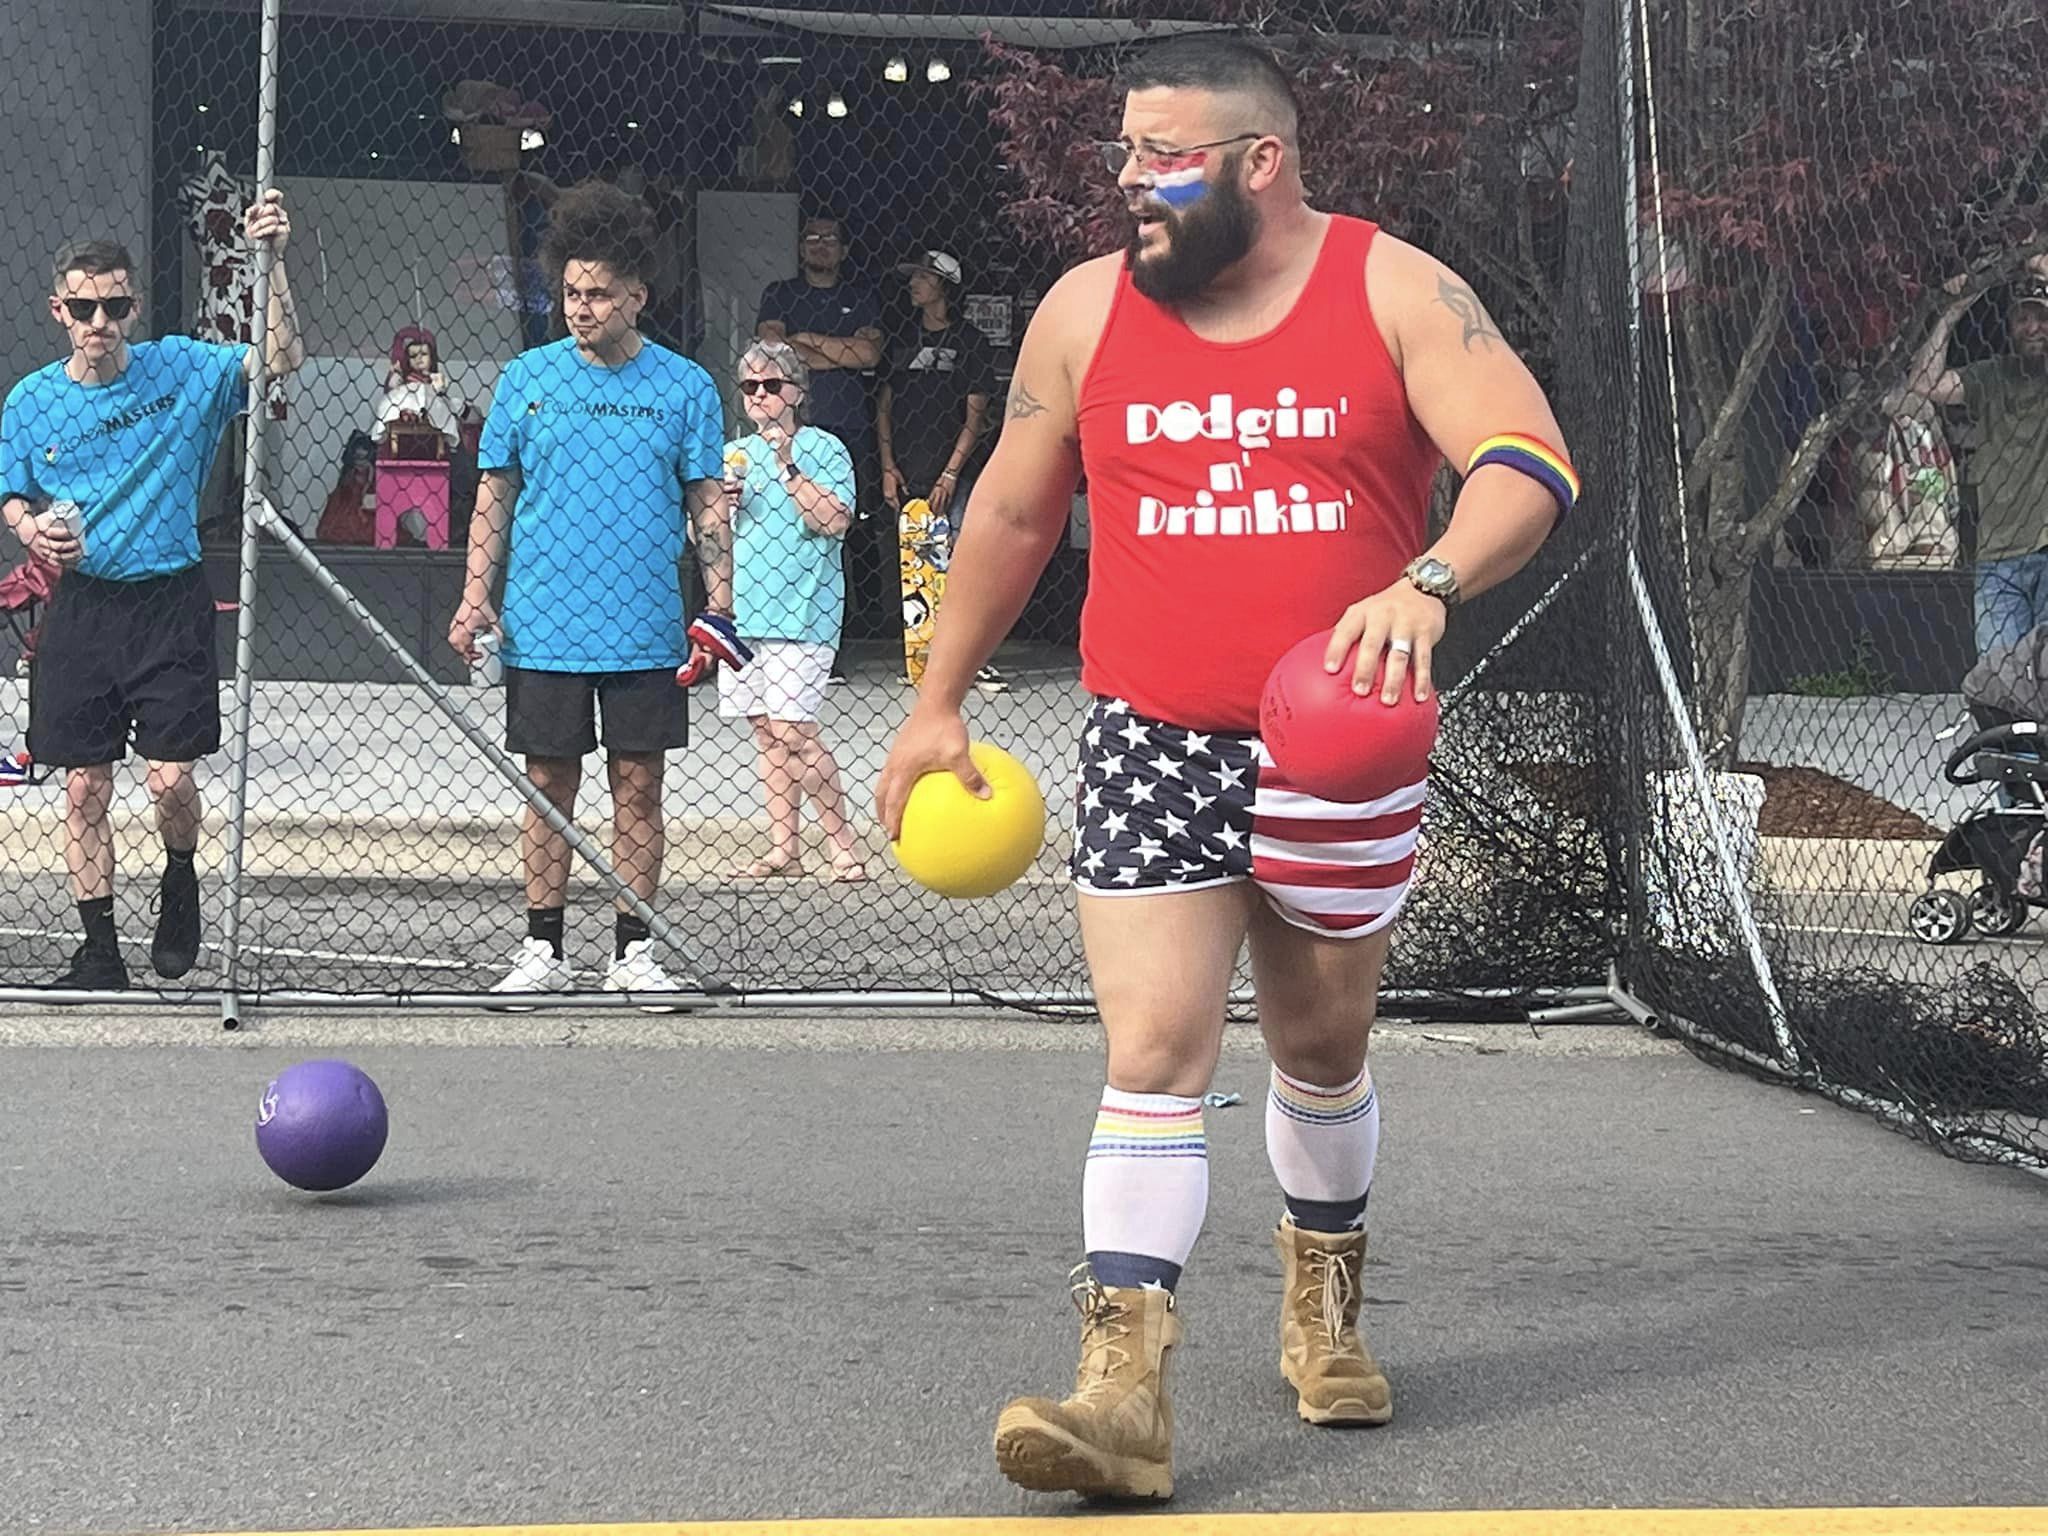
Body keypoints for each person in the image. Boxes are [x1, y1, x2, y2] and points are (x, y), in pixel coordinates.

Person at [875, 36, 1575, 1501]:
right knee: (1154, 1049)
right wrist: (937, 699)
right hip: (1152, 729)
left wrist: (1428, 583)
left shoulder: (1390, 286)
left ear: (1263, 162)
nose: (1134, 180)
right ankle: (1119, 1389)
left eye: (1167, 155)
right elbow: (1009, 516)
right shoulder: (1082, 311)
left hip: (1344, 737)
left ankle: (1324, 1313)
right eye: (1126, 153)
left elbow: (1527, 458)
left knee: (1319, 1045)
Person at [0, 195, 302, 989]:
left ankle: (179, 875)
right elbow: (12, 492)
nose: (100, 321)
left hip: (168, 600)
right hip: (84, 603)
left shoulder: (181, 369)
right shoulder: (32, 401)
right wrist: (29, 531)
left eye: (116, 306)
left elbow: (278, 358)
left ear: (132, 307)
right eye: (84, 307)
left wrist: (271, 263)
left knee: (170, 779)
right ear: (59, 310)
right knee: (83, 784)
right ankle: (99, 952)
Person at [448, 183, 732, 1004]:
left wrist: (719, 603)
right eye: (571, 292)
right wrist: (476, 596)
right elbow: (493, 494)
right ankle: (543, 945)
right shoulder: (526, 379)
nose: (581, 307)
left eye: (599, 293)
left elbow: (706, 502)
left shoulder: (684, 387)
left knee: (639, 783)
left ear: (637, 296)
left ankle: (633, 948)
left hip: (645, 626)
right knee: (548, 783)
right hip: (544, 622)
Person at [719, 340, 867, 881]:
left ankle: (841, 843)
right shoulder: (734, 454)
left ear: (797, 392)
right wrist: (719, 510)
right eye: (750, 387)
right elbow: (706, 537)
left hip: (803, 612)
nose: (759, 395)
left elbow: (833, 521)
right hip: (746, 611)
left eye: (771, 385)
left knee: (794, 730)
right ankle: (785, 847)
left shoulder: (824, 448)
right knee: (765, 731)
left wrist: (787, 466)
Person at [1895, 261, 2048, 653]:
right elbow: (1924, 384)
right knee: (1998, 681)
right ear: (2010, 326)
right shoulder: (1991, 377)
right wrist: (1953, 310)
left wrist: (2033, 264)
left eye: (2043, 317)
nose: (2034, 327)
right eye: (2024, 318)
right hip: (1998, 553)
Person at [878, 249, 1007, 694]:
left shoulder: (971, 341)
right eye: (912, 275)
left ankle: (972, 661)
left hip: (959, 474)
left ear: (944, 286)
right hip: (909, 469)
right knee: (919, 567)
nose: (914, 283)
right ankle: (925, 658)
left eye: (922, 277)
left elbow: (977, 414)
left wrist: (950, 474)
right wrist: (887, 465)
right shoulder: (902, 336)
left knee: (960, 563)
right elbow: (885, 405)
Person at [756, 215, 884, 660]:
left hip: (847, 428)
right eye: (811, 237)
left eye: (830, 238)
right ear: (798, 247)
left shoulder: (860, 296)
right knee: (787, 528)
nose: (820, 245)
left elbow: (868, 353)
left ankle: (837, 646)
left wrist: (805, 339)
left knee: (841, 532)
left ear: (844, 249)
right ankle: (779, 636)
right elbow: (773, 355)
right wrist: (838, 351)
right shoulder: (780, 293)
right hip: (790, 429)